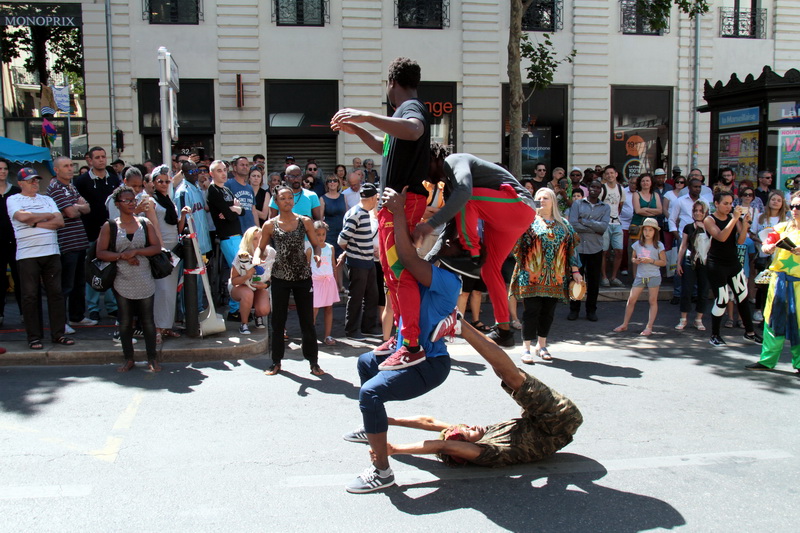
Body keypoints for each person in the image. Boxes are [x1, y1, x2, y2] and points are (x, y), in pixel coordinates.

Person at [342, 186, 461, 494]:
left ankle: (382, 471)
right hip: (405, 350)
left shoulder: (448, 280)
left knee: (370, 395)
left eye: (446, 241)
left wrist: (396, 215)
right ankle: (374, 427)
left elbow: (405, 257)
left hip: (429, 364)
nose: (439, 241)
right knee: (366, 361)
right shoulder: (431, 268)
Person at [331, 56, 432, 368]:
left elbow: (414, 130)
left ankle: (412, 345)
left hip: (402, 203)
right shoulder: (398, 116)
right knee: (391, 275)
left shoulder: (410, 110)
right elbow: (384, 146)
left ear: (392, 83)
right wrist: (358, 129)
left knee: (400, 273)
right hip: (395, 204)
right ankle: (403, 338)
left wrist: (364, 115)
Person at [376, 317, 582, 469]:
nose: (470, 426)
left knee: (502, 370)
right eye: (467, 432)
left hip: (541, 422)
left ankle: (460, 323)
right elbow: (444, 446)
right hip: (557, 421)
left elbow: (429, 422)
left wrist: (385, 420)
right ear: (463, 448)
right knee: (512, 376)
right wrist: (395, 449)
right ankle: (460, 324)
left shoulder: (477, 435)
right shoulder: (486, 452)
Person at [417, 150, 536, 348]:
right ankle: (504, 330)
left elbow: (465, 193)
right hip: (506, 220)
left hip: (519, 206)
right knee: (489, 270)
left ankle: (471, 252)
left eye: (424, 169)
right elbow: (450, 226)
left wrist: (429, 225)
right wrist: (428, 259)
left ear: (434, 158)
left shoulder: (454, 160)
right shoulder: (449, 184)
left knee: (467, 198)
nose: (426, 179)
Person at [259, 186, 325, 376]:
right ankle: (276, 362)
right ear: (276, 202)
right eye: (283, 198)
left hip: (303, 277)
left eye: (290, 198)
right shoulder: (270, 225)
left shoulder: (305, 221)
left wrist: (317, 256)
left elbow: (316, 245)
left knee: (307, 322)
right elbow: (260, 248)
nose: (287, 201)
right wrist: (257, 257)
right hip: (280, 277)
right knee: (278, 322)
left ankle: (313, 362)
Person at [95, 186, 162, 372]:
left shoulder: (144, 222)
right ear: (117, 204)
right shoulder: (110, 226)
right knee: (125, 321)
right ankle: (128, 358)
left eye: (133, 200)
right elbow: (100, 252)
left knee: (148, 320)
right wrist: (122, 256)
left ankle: (152, 357)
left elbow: (156, 247)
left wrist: (136, 251)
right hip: (122, 279)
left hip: (144, 277)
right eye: (127, 201)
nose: (132, 203)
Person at [511, 188, 580, 363]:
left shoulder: (563, 225)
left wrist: (575, 271)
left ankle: (542, 345)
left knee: (548, 312)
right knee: (531, 311)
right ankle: (526, 347)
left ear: (553, 202)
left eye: (546, 198)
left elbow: (571, 249)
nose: (542, 201)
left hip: (556, 277)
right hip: (531, 276)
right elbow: (516, 247)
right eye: (539, 198)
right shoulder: (528, 222)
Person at [7, 167, 72, 349]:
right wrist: (45, 217)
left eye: (36, 180)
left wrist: (33, 222)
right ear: (20, 183)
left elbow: (60, 222)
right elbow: (20, 216)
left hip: (51, 252)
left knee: (56, 294)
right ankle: (34, 336)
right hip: (27, 254)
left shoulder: (47, 199)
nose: (35, 183)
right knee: (30, 296)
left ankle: (58, 334)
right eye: (30, 180)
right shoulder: (14, 199)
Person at [745, 191, 800, 376]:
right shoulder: (781, 228)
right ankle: (767, 361)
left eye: (798, 206)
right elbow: (767, 244)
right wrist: (768, 247)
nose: (795, 210)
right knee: (772, 320)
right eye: (793, 206)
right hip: (780, 282)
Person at [704, 191, 761, 346]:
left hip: (733, 263)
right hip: (716, 265)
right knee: (721, 300)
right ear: (716, 204)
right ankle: (714, 335)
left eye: (731, 203)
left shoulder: (733, 218)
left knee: (742, 296)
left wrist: (745, 225)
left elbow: (741, 240)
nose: (729, 207)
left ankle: (749, 333)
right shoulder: (709, 219)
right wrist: (735, 219)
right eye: (725, 203)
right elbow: (721, 237)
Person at [46, 156, 92, 333]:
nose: (70, 168)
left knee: (79, 283)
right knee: (66, 285)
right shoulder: (56, 187)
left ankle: (77, 316)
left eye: (71, 165)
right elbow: (72, 213)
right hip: (66, 243)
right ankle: (60, 321)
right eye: (65, 166)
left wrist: (77, 207)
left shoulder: (70, 186)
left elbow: (87, 208)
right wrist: (77, 206)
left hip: (79, 242)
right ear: (56, 170)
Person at [74, 146, 120, 321]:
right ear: (90, 160)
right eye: (97, 157)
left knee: (110, 271)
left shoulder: (114, 179)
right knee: (93, 271)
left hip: (112, 232)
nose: (101, 160)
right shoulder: (81, 181)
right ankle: (93, 307)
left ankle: (111, 306)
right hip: (91, 232)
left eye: (103, 156)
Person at [152, 166, 191, 342]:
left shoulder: (170, 201)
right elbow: (153, 227)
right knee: (161, 290)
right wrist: (161, 249)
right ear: (153, 182)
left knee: (171, 291)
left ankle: (167, 326)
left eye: (167, 181)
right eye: (160, 181)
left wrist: (182, 215)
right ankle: (157, 328)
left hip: (174, 247)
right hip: (162, 250)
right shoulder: (152, 201)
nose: (164, 184)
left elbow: (178, 227)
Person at [338, 183, 379, 342]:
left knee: (372, 295)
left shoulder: (363, 212)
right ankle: (352, 330)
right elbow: (342, 239)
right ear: (373, 198)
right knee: (356, 296)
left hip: (368, 260)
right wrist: (353, 250)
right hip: (357, 261)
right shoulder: (356, 213)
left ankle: (368, 328)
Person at [613, 218, 666, 335]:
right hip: (640, 276)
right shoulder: (637, 244)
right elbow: (633, 258)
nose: (647, 232)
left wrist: (651, 260)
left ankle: (649, 326)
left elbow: (663, 262)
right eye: (645, 230)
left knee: (652, 300)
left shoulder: (659, 246)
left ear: (655, 232)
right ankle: (625, 324)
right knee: (631, 299)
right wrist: (635, 261)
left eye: (650, 230)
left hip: (653, 276)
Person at [567, 180, 610, 321]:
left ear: (600, 190)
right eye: (592, 186)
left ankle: (591, 310)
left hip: (595, 248)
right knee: (575, 280)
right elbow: (573, 224)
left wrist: (584, 221)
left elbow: (603, 228)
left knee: (593, 282)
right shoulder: (578, 204)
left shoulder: (605, 207)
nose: (594, 189)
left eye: (598, 187)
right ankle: (574, 309)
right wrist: (593, 228)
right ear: (588, 188)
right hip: (578, 248)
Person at [751, 191, 787, 323]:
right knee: (762, 284)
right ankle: (758, 310)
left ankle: (774, 311)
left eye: (779, 200)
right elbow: (752, 234)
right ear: (769, 201)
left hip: (779, 256)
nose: (775, 202)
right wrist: (762, 240)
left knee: (777, 285)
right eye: (773, 199)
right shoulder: (760, 217)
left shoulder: (786, 220)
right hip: (762, 255)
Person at [675, 200, 711, 331]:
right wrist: (678, 263)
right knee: (687, 290)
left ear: (706, 212)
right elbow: (683, 245)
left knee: (703, 291)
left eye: (701, 211)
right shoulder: (688, 227)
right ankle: (683, 318)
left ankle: (698, 319)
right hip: (690, 260)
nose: (698, 213)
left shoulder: (710, 226)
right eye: (695, 210)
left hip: (705, 261)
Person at [230, 226, 271, 334]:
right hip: (240, 286)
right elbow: (233, 281)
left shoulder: (271, 253)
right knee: (247, 293)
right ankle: (244, 324)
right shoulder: (241, 255)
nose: (258, 242)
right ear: (248, 240)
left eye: (260, 238)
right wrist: (247, 276)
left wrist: (265, 285)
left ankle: (258, 316)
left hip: (259, 285)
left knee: (264, 309)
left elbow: (274, 278)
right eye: (254, 239)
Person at [307, 221, 338, 345]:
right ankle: (309, 336)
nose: (321, 237)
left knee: (329, 308)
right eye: (318, 234)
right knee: (314, 310)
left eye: (323, 234)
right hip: (316, 282)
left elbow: (333, 265)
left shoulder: (330, 248)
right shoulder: (310, 248)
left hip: (329, 281)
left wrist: (337, 283)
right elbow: (306, 266)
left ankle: (328, 336)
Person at [0, 158, 21, 326]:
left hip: (15, 241)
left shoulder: (15, 191)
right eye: (0, 168)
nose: (3, 171)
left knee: (20, 278)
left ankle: (24, 313)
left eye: (5, 168)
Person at [599, 165, 625, 287]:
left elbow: (620, 205)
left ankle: (613, 276)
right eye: (607, 173)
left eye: (611, 173)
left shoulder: (620, 189)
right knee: (604, 251)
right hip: (605, 223)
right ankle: (604, 277)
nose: (609, 175)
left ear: (616, 174)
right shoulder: (602, 189)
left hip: (617, 223)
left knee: (619, 251)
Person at [226, 156, 256, 233]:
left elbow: (253, 210)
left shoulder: (250, 187)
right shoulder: (228, 184)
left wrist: (257, 228)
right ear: (235, 168)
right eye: (242, 165)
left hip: (250, 230)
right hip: (235, 229)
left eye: (247, 165)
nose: (245, 167)